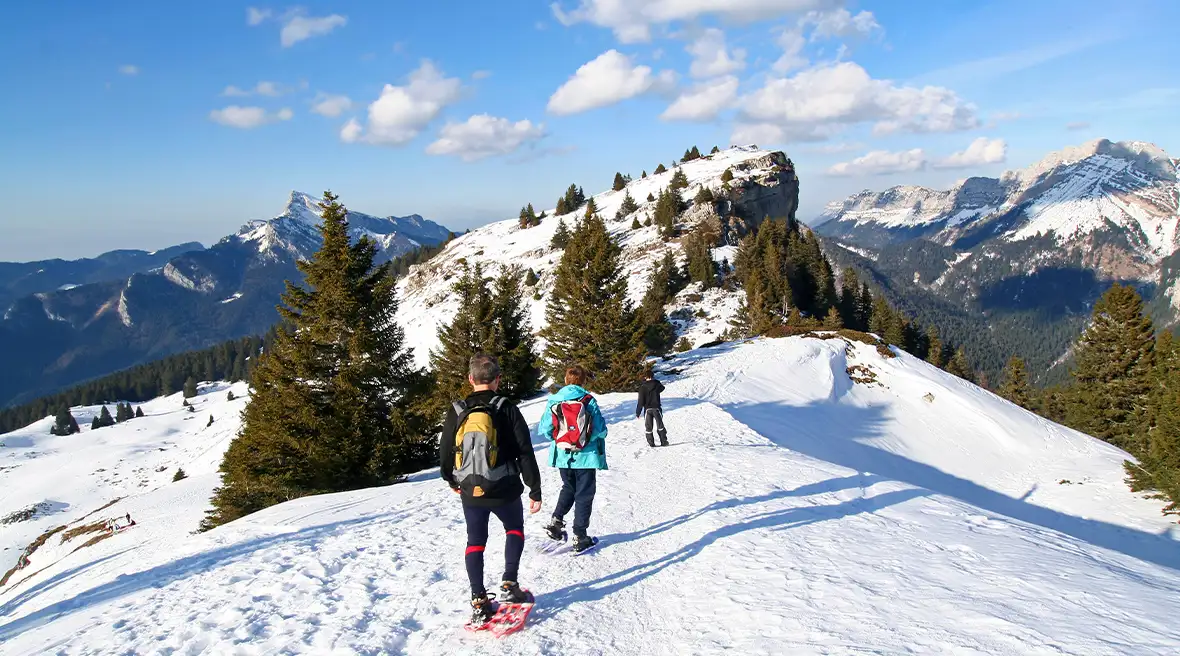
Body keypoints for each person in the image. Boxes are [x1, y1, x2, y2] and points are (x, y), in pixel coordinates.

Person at [440, 353, 542, 627]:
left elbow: (446, 450)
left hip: (470, 489)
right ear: (497, 380)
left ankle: (479, 601)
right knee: (514, 530)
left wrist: (452, 480)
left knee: (475, 542)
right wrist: (535, 489)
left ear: (470, 379)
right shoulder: (506, 407)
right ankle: (510, 583)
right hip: (505, 487)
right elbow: (524, 452)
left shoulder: (458, 409)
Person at [538, 365, 608, 553]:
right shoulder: (587, 400)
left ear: (566, 380)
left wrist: (562, 440)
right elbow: (600, 429)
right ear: (583, 380)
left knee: (568, 487)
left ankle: (557, 521)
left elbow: (544, 430)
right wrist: (584, 440)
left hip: (563, 455)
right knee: (584, 493)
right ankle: (580, 536)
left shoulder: (553, 400)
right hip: (586, 457)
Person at [636, 368, 668, 447]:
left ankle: (651, 444)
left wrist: (638, 412)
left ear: (645, 377)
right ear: (653, 376)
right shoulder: (657, 384)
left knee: (648, 427)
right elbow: (662, 388)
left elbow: (640, 401)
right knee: (660, 426)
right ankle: (664, 442)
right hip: (656, 408)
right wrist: (656, 382)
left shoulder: (642, 387)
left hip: (647, 410)